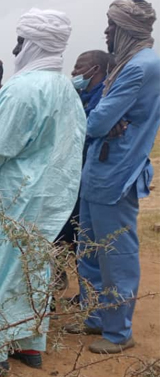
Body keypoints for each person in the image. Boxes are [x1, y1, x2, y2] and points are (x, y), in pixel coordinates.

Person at [0, 9, 85, 376]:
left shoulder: (23, 90)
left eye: (20, 41)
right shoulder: (65, 89)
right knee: (32, 271)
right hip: (47, 198)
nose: (14, 49)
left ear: (34, 43)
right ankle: (29, 345)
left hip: (9, 196)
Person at [70, 0, 160, 355]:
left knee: (116, 253)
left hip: (117, 173)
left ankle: (119, 332)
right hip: (99, 170)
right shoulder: (128, 64)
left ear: (126, 30)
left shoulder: (141, 67)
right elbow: (101, 121)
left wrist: (102, 123)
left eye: (111, 26)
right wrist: (103, 123)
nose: (106, 32)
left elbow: (97, 121)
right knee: (88, 249)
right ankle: (95, 318)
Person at [54, 49, 112, 291]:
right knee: (63, 235)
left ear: (95, 69)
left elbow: (89, 128)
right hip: (71, 177)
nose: (74, 72)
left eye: (79, 67)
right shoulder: (82, 95)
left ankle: (89, 297)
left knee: (82, 240)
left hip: (87, 179)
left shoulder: (104, 96)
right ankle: (62, 286)